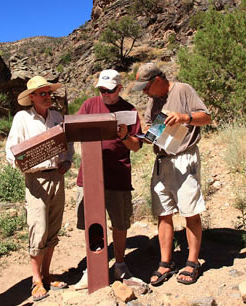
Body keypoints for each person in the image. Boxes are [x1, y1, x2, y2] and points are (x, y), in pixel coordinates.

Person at [132, 63, 211, 286]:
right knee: (163, 212)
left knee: (190, 210)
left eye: (146, 88)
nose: (145, 93)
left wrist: (185, 117)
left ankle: (192, 262)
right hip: (162, 160)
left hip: (184, 158)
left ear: (157, 80)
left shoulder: (183, 90)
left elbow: (206, 117)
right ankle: (165, 263)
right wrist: (147, 135)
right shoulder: (152, 101)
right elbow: (150, 128)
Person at [5, 76, 74, 301]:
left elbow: (68, 142)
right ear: (31, 97)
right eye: (42, 93)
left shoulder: (56, 117)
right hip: (36, 180)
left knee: (53, 227)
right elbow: (11, 150)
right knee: (38, 227)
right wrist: (21, 161)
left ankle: (46, 274)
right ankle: (36, 280)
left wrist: (67, 160)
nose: (47, 97)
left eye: (48, 93)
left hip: (57, 177)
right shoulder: (22, 118)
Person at [74, 69, 142, 289]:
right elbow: (75, 132)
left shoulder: (130, 111)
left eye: (109, 90)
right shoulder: (89, 105)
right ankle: (93, 267)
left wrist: (124, 136)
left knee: (120, 223)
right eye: (101, 89)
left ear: (120, 89)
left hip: (118, 175)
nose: (105, 94)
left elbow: (137, 146)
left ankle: (120, 264)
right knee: (92, 223)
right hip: (91, 175)